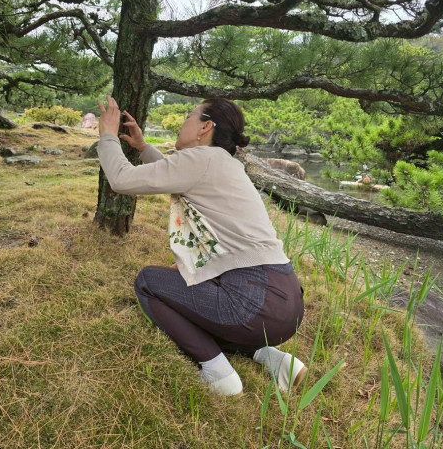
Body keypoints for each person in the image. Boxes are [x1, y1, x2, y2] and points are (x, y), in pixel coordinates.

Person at [97, 96, 306, 396]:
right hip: (286, 303)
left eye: (188, 116)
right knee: (189, 293)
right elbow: (175, 175)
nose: (183, 122)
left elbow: (121, 179)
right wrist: (143, 148)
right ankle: (269, 356)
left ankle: (218, 373)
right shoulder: (225, 164)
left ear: (205, 127)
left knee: (148, 282)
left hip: (254, 302)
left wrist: (107, 134)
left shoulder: (201, 159)